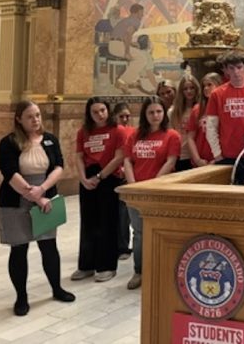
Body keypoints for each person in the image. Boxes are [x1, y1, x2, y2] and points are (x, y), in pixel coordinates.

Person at [0, 100, 75, 316]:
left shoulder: (50, 139)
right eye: (30, 116)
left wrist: (42, 190)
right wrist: (35, 196)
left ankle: (56, 289)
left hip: (45, 194)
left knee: (49, 245)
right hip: (16, 199)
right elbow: (10, 172)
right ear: (19, 119)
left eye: (38, 115)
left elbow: (59, 166)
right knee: (19, 248)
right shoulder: (8, 142)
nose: (35, 120)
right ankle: (21, 297)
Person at [123, 96, 180, 290]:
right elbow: (127, 160)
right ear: (144, 115)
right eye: (151, 112)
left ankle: (161, 270)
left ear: (164, 113)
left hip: (159, 191)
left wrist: (152, 184)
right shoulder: (134, 135)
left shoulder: (171, 135)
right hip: (136, 191)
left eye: (158, 111)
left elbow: (170, 161)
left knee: (161, 231)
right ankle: (139, 270)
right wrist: (133, 186)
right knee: (139, 233)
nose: (155, 116)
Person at [71, 97, 127, 284]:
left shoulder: (117, 130)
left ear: (108, 111)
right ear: (89, 114)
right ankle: (87, 265)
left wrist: (100, 177)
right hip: (88, 177)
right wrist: (83, 178)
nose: (99, 114)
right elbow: (79, 157)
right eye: (95, 112)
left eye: (102, 110)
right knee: (88, 221)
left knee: (107, 222)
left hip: (108, 177)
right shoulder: (83, 132)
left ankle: (106, 266)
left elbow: (119, 157)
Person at [206, 52, 244, 164]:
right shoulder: (217, 94)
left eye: (239, 67)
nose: (236, 72)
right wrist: (217, 154)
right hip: (226, 154)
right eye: (231, 68)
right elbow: (211, 127)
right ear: (226, 70)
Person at [112, 102, 133, 260]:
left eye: (127, 116)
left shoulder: (133, 132)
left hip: (126, 176)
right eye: (121, 116)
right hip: (113, 174)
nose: (125, 119)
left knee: (124, 214)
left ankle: (123, 246)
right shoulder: (112, 132)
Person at [187, 73, 221, 167]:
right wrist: (197, 160)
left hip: (219, 159)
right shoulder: (197, 109)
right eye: (204, 86)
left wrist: (218, 158)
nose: (206, 88)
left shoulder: (223, 108)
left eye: (209, 85)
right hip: (201, 160)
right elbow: (190, 137)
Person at [168, 74, 200, 171]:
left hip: (197, 154)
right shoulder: (173, 111)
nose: (189, 91)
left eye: (192, 88)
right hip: (180, 155)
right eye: (185, 89)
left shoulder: (201, 109)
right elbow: (170, 135)